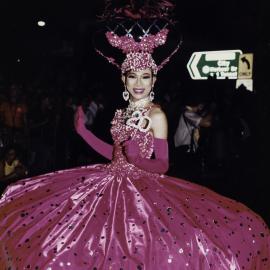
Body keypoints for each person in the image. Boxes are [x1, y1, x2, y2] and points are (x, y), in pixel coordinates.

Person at [0, 2, 269, 269]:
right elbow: (113, 153)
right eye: (132, 76)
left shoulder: (157, 115)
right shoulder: (121, 113)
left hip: (143, 189)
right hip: (108, 182)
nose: (138, 83)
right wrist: (83, 132)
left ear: (153, 79)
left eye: (145, 76)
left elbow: (162, 165)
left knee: (141, 248)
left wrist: (135, 160)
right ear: (124, 80)